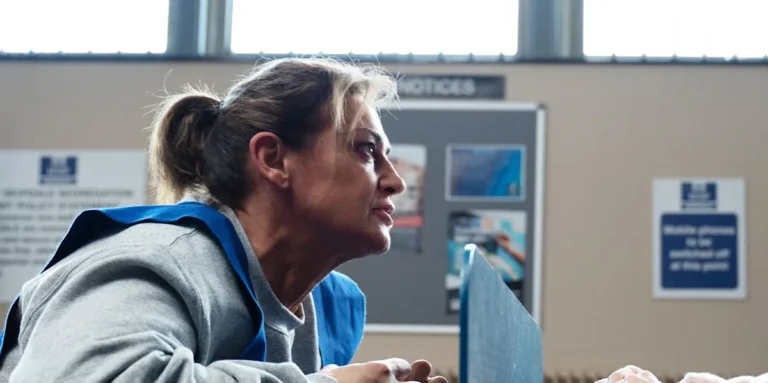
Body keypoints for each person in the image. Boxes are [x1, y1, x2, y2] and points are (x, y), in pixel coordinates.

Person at [0, 57, 447, 383]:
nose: (395, 182)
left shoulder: (328, 307)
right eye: (366, 150)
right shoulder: (154, 262)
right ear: (273, 159)